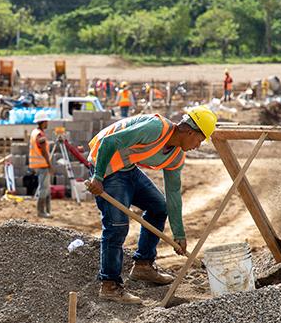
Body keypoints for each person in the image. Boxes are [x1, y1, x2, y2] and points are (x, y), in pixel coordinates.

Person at [87, 106, 218, 304]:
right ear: (190, 131)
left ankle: (143, 265)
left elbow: (173, 194)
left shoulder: (175, 156)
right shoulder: (156, 128)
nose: (198, 146)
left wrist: (179, 234)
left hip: (128, 167)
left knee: (159, 207)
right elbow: (109, 141)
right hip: (106, 164)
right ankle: (109, 285)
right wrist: (98, 176)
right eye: (199, 140)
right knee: (117, 226)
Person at [29, 112, 52, 218]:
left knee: (44, 187)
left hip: (38, 165)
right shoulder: (40, 135)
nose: (47, 123)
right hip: (42, 164)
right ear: (43, 122)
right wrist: (49, 164)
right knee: (44, 188)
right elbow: (43, 151)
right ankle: (41, 211)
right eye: (46, 121)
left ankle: (46, 209)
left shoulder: (35, 132)